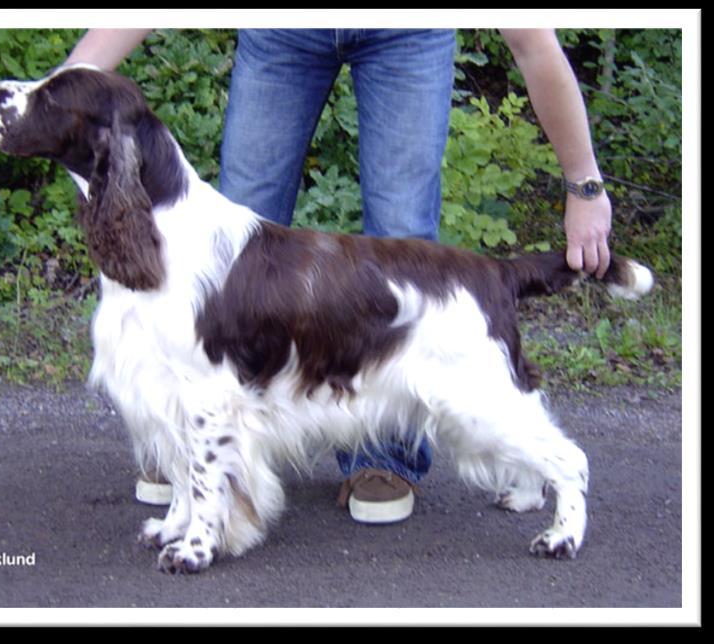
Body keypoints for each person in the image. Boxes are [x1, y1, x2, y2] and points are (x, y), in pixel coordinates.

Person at [64, 27, 612, 524]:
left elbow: (533, 40)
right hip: (281, 30)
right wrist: (60, 93)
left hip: (408, 32)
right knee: (231, 236)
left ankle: (384, 456)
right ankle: (197, 451)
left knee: (407, 245)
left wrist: (584, 183)